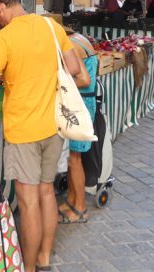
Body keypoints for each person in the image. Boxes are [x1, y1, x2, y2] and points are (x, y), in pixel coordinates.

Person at [0, 0, 87, 272]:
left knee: (28, 202)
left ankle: (29, 267)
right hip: (53, 127)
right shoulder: (50, 26)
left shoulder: (4, 38)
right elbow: (73, 68)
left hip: (23, 132)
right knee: (46, 193)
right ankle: (45, 255)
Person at [58, 29, 95, 226]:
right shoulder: (79, 39)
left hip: (80, 107)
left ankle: (80, 208)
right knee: (74, 158)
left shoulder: (69, 45)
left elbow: (84, 80)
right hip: (83, 105)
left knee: (74, 160)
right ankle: (72, 201)